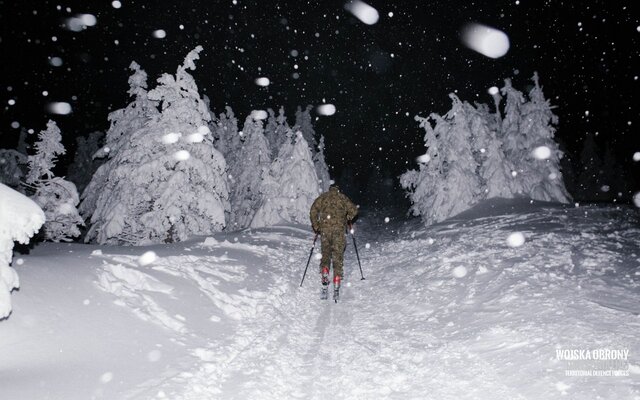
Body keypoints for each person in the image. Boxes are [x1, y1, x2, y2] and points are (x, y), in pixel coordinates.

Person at [309, 184, 358, 298]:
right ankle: (336, 283)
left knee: (326, 254)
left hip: (325, 231)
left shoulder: (323, 197)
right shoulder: (342, 198)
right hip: (338, 231)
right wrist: (347, 218)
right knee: (337, 257)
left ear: (330, 189)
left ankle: (325, 273)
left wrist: (316, 225)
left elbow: (313, 210)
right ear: (338, 189)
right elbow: (354, 210)